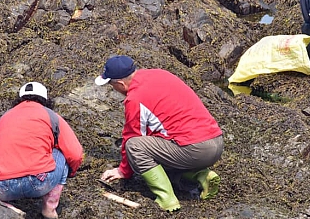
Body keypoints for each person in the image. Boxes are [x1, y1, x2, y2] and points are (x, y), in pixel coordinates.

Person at [95, 55, 224, 212]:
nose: (113, 88)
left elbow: (133, 137)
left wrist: (123, 170)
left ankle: (167, 199)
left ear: (120, 84)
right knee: (156, 151)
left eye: (111, 85)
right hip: (216, 141)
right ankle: (201, 177)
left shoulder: (135, 98)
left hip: (196, 149)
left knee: (134, 147)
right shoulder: (160, 74)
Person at [0, 82, 84, 219]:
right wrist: (69, 173)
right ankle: (49, 209)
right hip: (40, 182)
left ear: (19, 99)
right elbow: (76, 154)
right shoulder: (52, 116)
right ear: (45, 99)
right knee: (61, 153)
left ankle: (6, 207)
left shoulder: (4, 118)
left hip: (1, 185)